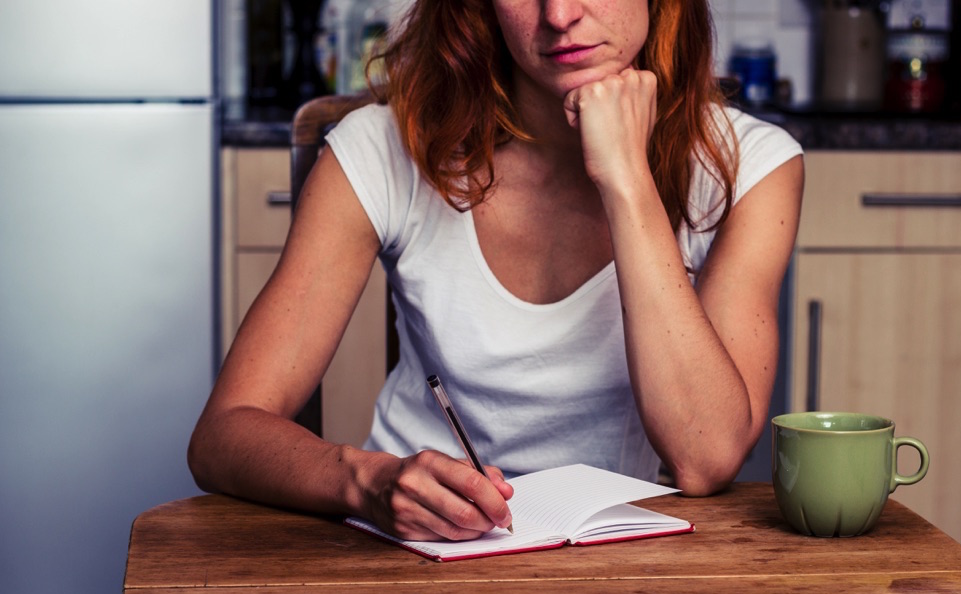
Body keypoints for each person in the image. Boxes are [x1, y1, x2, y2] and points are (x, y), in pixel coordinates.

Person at [188, 0, 803, 544]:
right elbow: (223, 434)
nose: (559, 15)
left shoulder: (747, 164)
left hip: (606, 553)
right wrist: (372, 483)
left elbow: (706, 457)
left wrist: (626, 180)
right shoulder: (382, 147)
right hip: (406, 551)